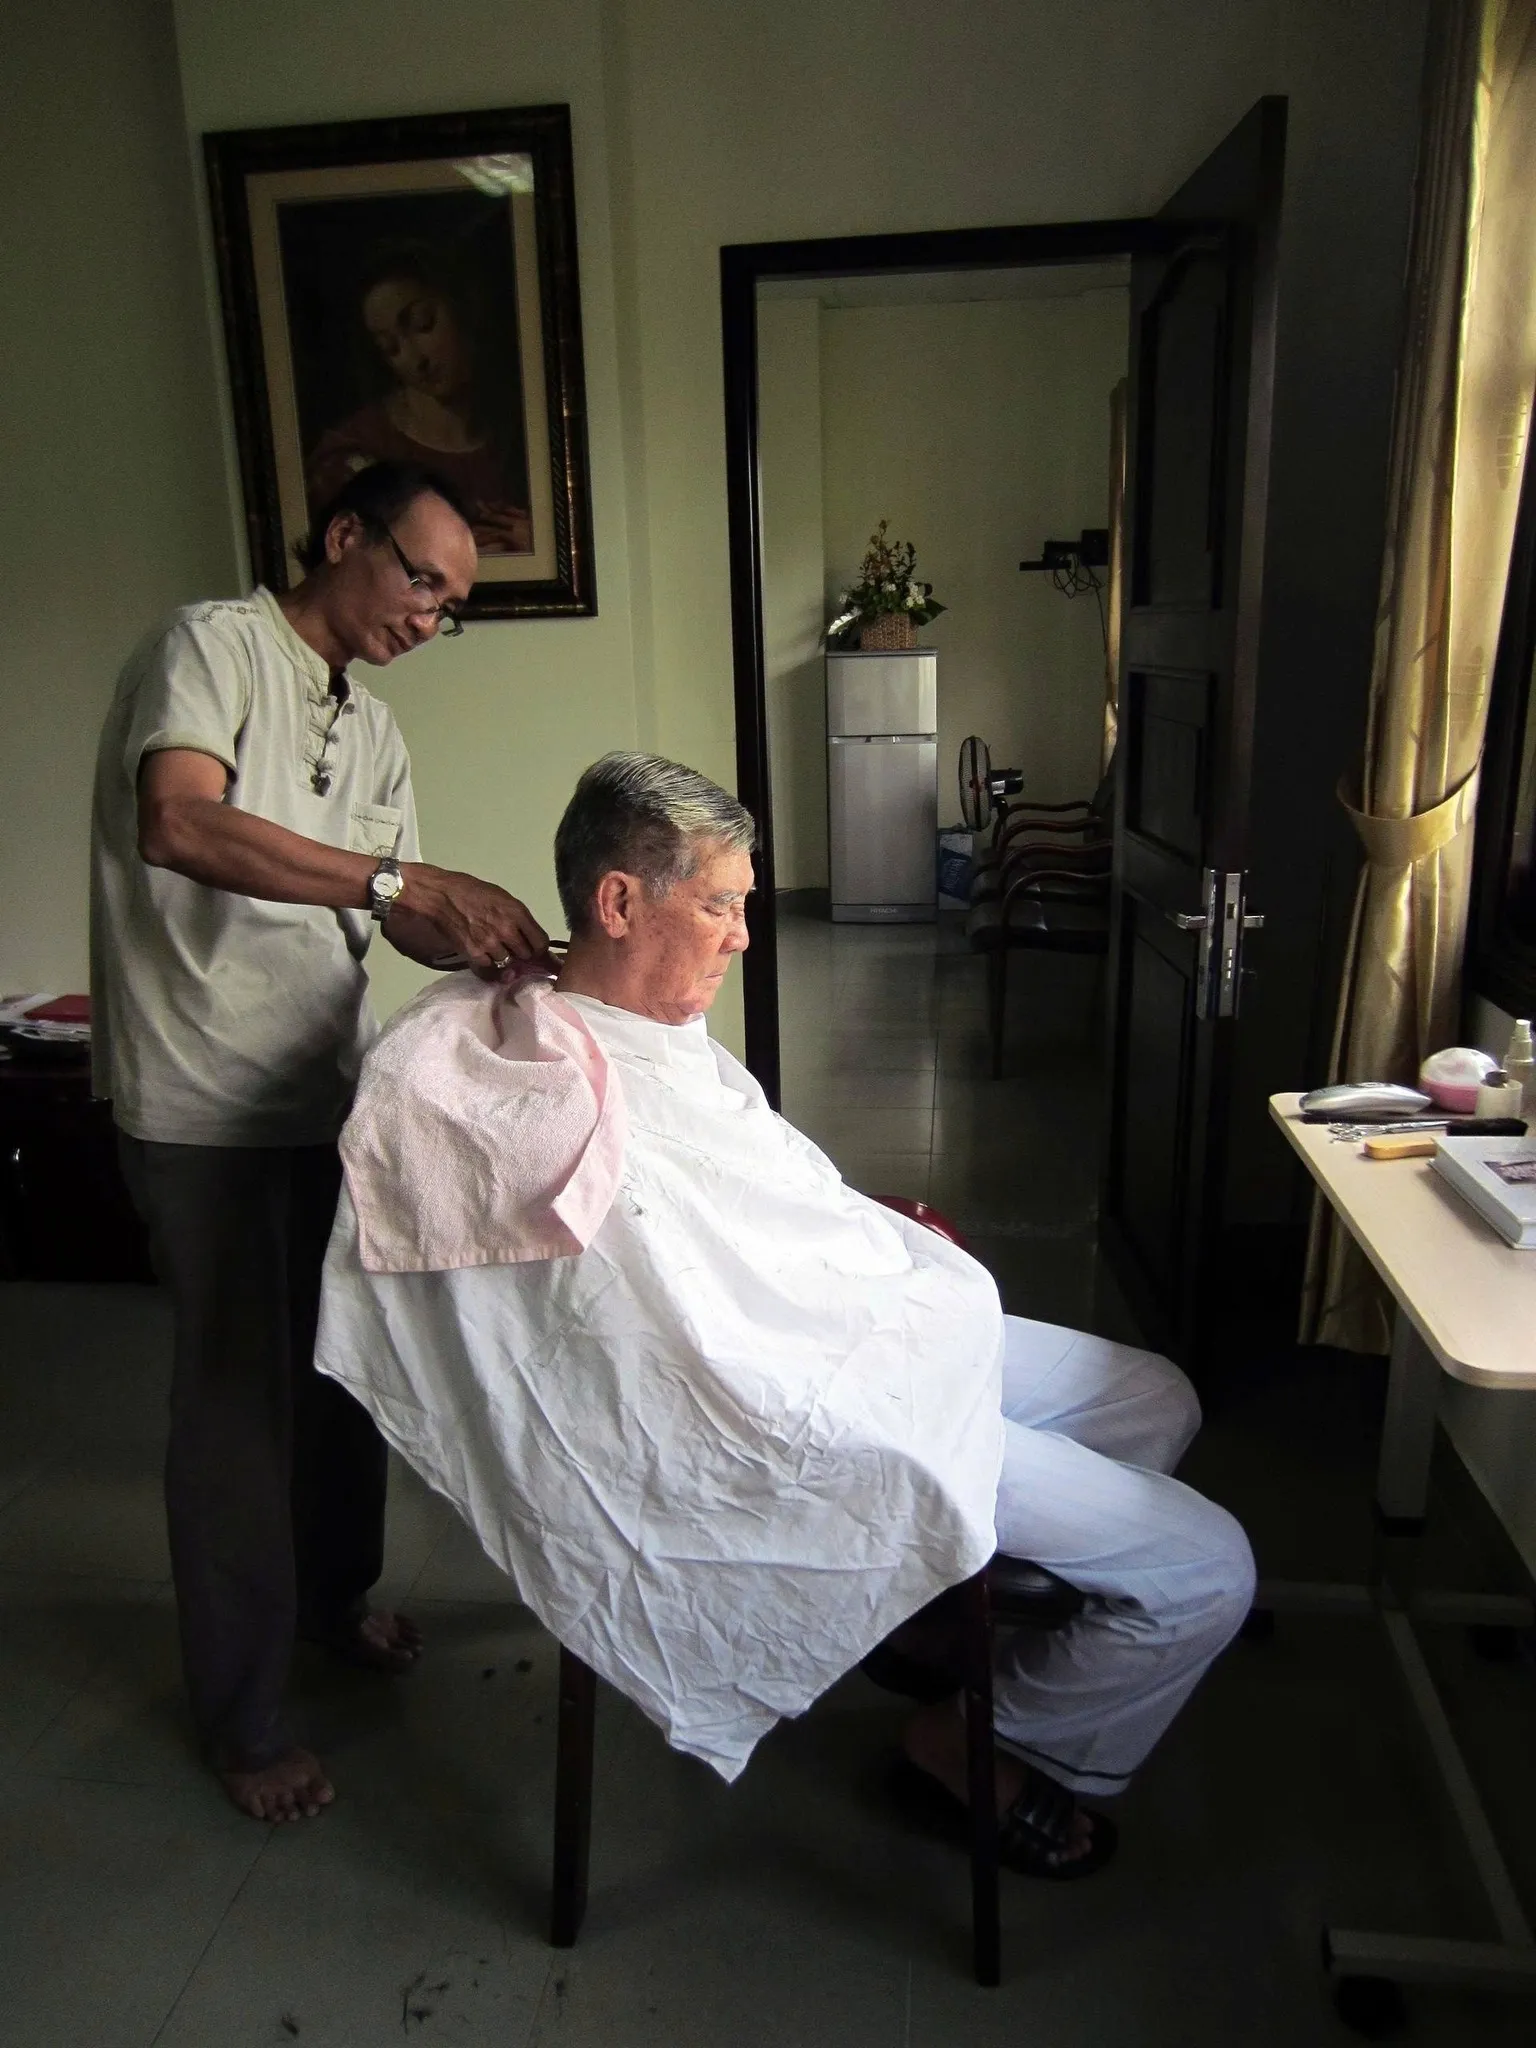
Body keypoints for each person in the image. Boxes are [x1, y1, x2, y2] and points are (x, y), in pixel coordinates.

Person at [315, 753, 1255, 1877]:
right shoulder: (525, 1085)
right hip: (804, 1419)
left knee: (1156, 1396)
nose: (746, 937)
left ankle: (933, 1611)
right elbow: (667, 1342)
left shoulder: (657, 1037)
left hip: (862, 1329)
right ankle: (967, 1744)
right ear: (619, 902)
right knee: (1212, 1567)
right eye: (721, 905)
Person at [89, 460, 549, 1825]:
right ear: (344, 534)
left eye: (451, 605)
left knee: (345, 1366)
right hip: (201, 1098)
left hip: (323, 1093)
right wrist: (404, 878)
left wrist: (495, 942)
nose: (429, 616)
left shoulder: (377, 728)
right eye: (421, 579)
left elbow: (387, 911)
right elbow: (179, 820)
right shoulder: (212, 647)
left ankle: (334, 1599)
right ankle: (243, 1721)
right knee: (239, 1406)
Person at [305, 247, 532, 556]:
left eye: (423, 324)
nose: (416, 360)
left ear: (463, 307)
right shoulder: (353, 453)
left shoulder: (522, 428)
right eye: (391, 347)